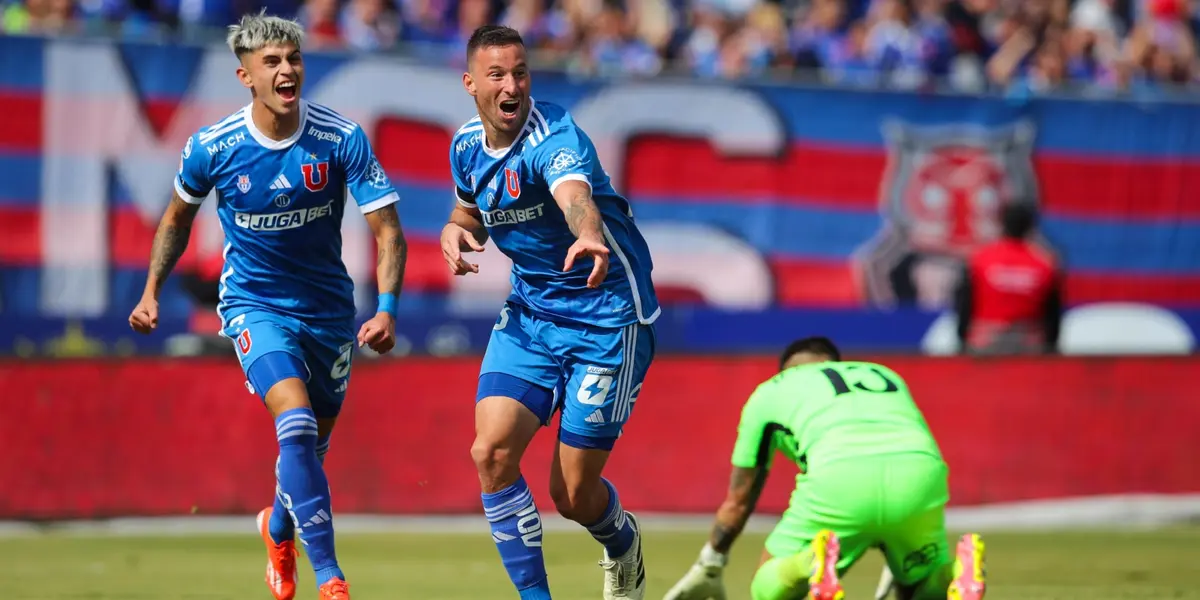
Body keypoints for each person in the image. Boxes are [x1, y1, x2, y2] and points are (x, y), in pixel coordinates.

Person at [128, 11, 407, 600]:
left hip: (329, 313)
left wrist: (385, 308)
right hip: (255, 305)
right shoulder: (213, 146)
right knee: (296, 423)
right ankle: (330, 577)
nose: (287, 70)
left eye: (294, 59)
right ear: (245, 76)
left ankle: (276, 529)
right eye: (272, 62)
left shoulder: (340, 138)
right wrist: (153, 289)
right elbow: (176, 219)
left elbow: (388, 230)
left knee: (308, 451)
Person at [440, 24, 660, 600]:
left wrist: (589, 235)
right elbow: (470, 212)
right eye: (497, 75)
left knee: (571, 497)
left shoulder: (555, 137)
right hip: (532, 316)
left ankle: (622, 543)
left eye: (520, 72)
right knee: (490, 453)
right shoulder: (465, 146)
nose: (512, 85)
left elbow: (576, 197)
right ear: (470, 84)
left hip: (608, 317)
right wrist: (453, 230)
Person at [663, 337, 987, 600]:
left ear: (784, 371)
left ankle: (810, 563)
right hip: (920, 475)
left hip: (840, 481)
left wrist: (711, 562)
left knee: (766, 589)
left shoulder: (771, 391)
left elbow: (739, 500)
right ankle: (954, 571)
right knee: (920, 587)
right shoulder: (885, 374)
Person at [954, 201, 1063, 355]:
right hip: (1030, 350)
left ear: (1002, 224)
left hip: (985, 348)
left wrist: (961, 343)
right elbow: (1053, 316)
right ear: (1029, 227)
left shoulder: (980, 259)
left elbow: (965, 305)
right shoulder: (1045, 263)